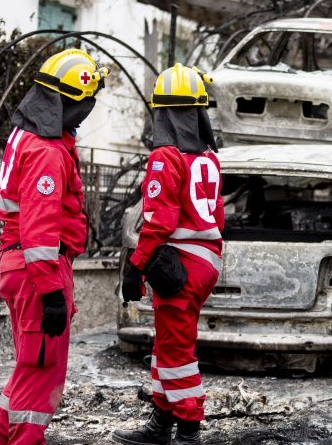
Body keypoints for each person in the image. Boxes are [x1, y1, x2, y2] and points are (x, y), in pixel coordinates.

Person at [0, 49, 109, 444]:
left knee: (31, 365)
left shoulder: (29, 137)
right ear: (66, 102)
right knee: (42, 371)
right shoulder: (46, 152)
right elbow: (39, 231)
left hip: (21, 266)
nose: (87, 111)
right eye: (86, 103)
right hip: (39, 270)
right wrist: (52, 292)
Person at [112, 64, 223, 445]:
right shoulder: (209, 157)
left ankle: (188, 429)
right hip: (204, 261)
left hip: (181, 265)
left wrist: (135, 265)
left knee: (176, 351)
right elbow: (218, 215)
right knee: (166, 345)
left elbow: (159, 222)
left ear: (162, 112)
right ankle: (162, 420)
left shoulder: (165, 157)